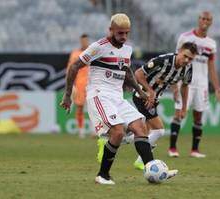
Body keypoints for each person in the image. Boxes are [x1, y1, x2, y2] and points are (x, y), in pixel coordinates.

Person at [60, 13, 177, 185]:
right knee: (118, 131)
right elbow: (74, 67)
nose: (123, 36)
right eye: (120, 33)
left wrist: (140, 91)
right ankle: (102, 175)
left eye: (126, 33)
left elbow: (127, 71)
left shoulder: (127, 49)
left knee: (140, 127)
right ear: (111, 30)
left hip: (117, 96)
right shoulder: (98, 47)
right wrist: (68, 94)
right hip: (99, 94)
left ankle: (152, 170)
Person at [168, 11, 220, 158]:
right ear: (198, 20)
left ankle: (195, 150)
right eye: (203, 18)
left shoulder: (211, 44)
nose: (205, 21)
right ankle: (172, 148)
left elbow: (211, 66)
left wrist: (217, 87)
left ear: (211, 22)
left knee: (198, 116)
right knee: (179, 113)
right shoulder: (185, 37)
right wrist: (174, 84)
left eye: (208, 19)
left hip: (202, 84)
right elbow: (176, 59)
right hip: (185, 81)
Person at [131, 42, 198, 170]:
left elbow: (184, 86)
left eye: (190, 59)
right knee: (159, 130)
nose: (187, 60)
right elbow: (138, 73)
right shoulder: (163, 60)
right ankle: (143, 161)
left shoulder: (188, 68)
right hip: (142, 97)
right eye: (185, 56)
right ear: (179, 51)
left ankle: (119, 138)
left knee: (143, 132)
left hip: (154, 99)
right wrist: (150, 91)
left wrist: (184, 107)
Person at [67, 34, 90, 138]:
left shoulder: (92, 52)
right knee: (80, 107)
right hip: (80, 84)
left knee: (93, 108)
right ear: (80, 41)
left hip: (91, 84)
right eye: (82, 41)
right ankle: (81, 130)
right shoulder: (75, 54)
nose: (84, 42)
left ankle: (95, 130)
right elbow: (70, 69)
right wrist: (72, 85)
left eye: (86, 41)